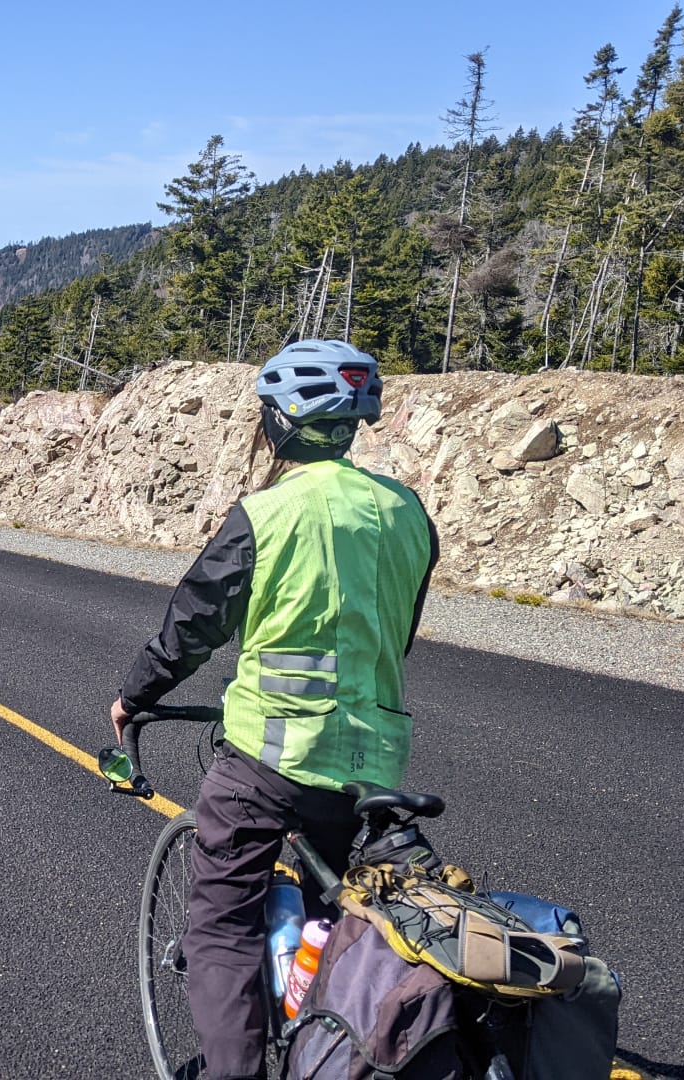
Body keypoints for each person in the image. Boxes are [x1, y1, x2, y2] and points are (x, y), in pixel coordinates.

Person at [109, 339, 439, 1080]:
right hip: (372, 759)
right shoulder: (409, 512)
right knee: (338, 907)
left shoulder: (266, 512)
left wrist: (137, 696)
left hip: (270, 756)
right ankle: (330, 1042)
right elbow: (395, 634)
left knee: (222, 921)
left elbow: (191, 624)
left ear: (282, 420)